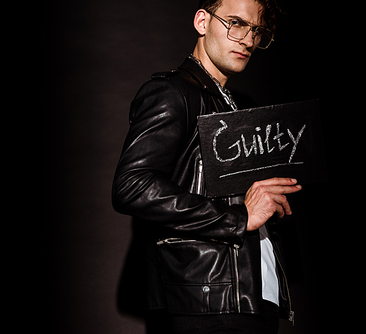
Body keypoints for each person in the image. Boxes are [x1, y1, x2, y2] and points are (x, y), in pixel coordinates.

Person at [112, 0, 301, 333]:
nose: (247, 40)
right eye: (235, 23)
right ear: (202, 22)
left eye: (256, 30)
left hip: (254, 298)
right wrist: (240, 217)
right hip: (209, 300)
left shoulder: (240, 107)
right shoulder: (172, 93)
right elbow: (132, 185)